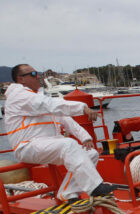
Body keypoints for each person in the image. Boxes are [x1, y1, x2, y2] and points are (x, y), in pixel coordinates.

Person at [3, 64, 115, 202]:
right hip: (27, 146)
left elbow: (64, 117)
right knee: (68, 144)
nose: (38, 76)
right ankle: (95, 187)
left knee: (91, 153)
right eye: (33, 74)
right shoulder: (19, 96)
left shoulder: (36, 97)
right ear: (21, 79)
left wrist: (85, 137)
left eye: (37, 73)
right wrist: (82, 107)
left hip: (46, 144)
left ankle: (68, 193)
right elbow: (50, 104)